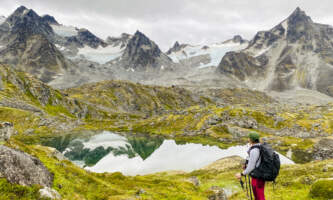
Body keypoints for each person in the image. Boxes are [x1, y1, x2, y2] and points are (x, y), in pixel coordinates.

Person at [235, 132, 266, 200]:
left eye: (249, 138)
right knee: (258, 195)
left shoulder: (254, 150)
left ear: (252, 140)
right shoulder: (259, 146)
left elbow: (251, 167)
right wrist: (246, 164)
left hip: (258, 177)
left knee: (259, 196)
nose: (248, 139)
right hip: (260, 175)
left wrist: (241, 174)